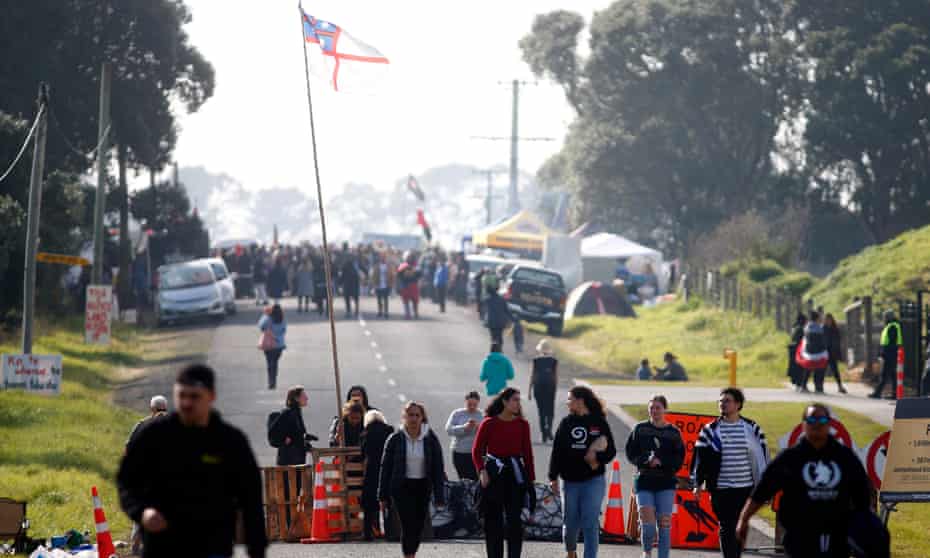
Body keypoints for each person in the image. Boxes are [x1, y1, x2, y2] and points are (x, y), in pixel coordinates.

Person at [117, 364, 267, 558]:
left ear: (211, 396)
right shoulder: (152, 435)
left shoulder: (230, 441)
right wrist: (142, 512)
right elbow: (127, 482)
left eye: (194, 397)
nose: (187, 403)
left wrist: (257, 550)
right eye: (181, 396)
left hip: (213, 545)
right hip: (162, 545)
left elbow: (251, 502)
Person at [736, 403, 873, 557]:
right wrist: (744, 519)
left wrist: (866, 530)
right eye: (811, 420)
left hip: (837, 538)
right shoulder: (790, 458)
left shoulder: (845, 458)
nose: (816, 425)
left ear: (829, 424)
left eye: (821, 421)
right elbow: (762, 491)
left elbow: (862, 498)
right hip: (799, 537)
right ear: (803, 425)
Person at [691, 388, 768, 558]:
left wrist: (765, 488)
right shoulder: (709, 430)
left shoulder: (752, 428)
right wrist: (697, 483)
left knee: (740, 525)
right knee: (726, 526)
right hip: (720, 489)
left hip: (745, 488)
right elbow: (699, 459)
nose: (723, 404)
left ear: (738, 404)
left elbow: (763, 457)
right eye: (720, 401)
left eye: (727, 401)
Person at [548, 386, 617, 558]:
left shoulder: (599, 422)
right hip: (569, 480)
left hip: (593, 480)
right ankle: (571, 551)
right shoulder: (566, 423)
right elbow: (557, 451)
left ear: (580, 401)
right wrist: (553, 477)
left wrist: (597, 457)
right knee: (570, 522)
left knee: (590, 521)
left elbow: (611, 451)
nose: (567, 402)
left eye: (570, 399)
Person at [472, 387, 535, 558]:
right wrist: (482, 471)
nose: (517, 403)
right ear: (505, 402)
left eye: (518, 400)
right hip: (494, 474)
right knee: (493, 522)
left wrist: (530, 482)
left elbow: (528, 454)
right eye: (514, 399)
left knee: (515, 523)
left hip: (515, 475)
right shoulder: (489, 423)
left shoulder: (522, 425)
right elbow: (477, 451)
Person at [379, 401, 446, 558]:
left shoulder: (430, 438)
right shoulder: (395, 438)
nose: (414, 418)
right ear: (404, 417)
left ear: (422, 417)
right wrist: (382, 495)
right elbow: (385, 467)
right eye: (410, 415)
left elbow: (438, 468)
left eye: (417, 415)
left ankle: (412, 552)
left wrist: (439, 496)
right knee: (408, 524)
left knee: (418, 525)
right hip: (402, 487)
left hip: (422, 486)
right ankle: (409, 555)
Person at [625, 394, 684, 558]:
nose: (654, 411)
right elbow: (630, 453)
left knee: (664, 526)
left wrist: (662, 461)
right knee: (648, 526)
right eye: (651, 408)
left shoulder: (673, 432)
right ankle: (647, 552)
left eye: (658, 408)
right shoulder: (639, 429)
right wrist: (645, 460)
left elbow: (679, 459)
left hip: (666, 483)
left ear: (665, 409)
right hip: (644, 482)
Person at [126, 395, 169, 556]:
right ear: (166, 407)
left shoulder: (141, 425)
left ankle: (136, 545)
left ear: (152, 409)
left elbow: (128, 449)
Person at [361, 409, 394, 540]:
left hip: (372, 469)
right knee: (388, 500)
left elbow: (363, 452)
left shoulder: (366, 433)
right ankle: (391, 531)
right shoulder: (389, 430)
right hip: (387, 468)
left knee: (369, 504)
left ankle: (367, 533)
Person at [444, 391, 483, 480]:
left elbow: (488, 432)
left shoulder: (482, 415)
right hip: (459, 453)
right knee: (464, 479)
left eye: (475, 405)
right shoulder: (457, 413)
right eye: (469, 404)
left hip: (477, 454)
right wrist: (464, 427)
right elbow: (448, 430)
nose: (472, 407)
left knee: (476, 480)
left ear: (478, 403)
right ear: (465, 402)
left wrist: (478, 427)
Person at [271, 386, 311, 466]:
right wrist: (283, 439)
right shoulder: (288, 413)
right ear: (296, 398)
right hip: (289, 462)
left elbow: (296, 434)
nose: (307, 398)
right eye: (304, 396)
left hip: (297, 459)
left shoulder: (296, 412)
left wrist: (305, 440)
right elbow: (274, 432)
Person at [528, 339, 558, 443]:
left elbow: (533, 375)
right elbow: (555, 376)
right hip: (550, 387)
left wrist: (529, 390)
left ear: (540, 350)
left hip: (538, 387)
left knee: (541, 411)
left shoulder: (536, 360)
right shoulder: (554, 361)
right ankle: (549, 429)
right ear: (549, 350)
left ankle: (544, 435)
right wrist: (555, 388)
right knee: (550, 410)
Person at [870, 310, 902, 399]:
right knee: (892, 375)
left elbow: (890, 343)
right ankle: (894, 394)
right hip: (892, 354)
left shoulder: (892, 327)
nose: (884, 319)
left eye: (885, 317)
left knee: (885, 374)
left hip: (890, 354)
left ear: (888, 317)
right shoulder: (892, 325)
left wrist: (883, 353)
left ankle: (877, 393)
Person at [799, 311, 829, 394]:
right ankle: (818, 387)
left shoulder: (807, 327)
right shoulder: (819, 328)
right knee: (819, 370)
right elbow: (822, 341)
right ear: (817, 318)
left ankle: (803, 386)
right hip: (819, 352)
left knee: (807, 369)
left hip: (808, 352)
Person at [258, 304, 287, 390]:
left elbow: (261, 326)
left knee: (269, 363)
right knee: (275, 363)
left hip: (268, 344)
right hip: (279, 345)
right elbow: (284, 330)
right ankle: (274, 380)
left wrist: (265, 314)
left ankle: (271, 381)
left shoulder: (268, 318)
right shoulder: (282, 319)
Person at [823, 313, 847, 394]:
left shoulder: (835, 329)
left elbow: (838, 340)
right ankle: (819, 386)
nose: (828, 321)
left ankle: (840, 386)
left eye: (829, 319)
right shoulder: (823, 328)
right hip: (825, 352)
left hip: (832, 352)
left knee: (835, 370)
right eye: (826, 320)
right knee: (821, 369)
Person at [484, 284, 514, 348]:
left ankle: (494, 349)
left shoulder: (488, 300)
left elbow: (483, 306)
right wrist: (512, 319)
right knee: (499, 335)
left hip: (491, 322)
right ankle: (499, 348)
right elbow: (507, 311)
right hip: (501, 322)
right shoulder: (502, 300)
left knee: (494, 337)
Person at [340, 244, 362, 318]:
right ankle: (351, 311)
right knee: (350, 297)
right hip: (350, 282)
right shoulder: (348, 264)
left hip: (352, 282)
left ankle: (353, 311)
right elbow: (342, 273)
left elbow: (342, 274)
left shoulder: (355, 263)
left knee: (352, 297)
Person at [787, 314, 807, 391]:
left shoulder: (794, 327)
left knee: (796, 368)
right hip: (798, 350)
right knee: (800, 368)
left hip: (794, 350)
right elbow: (801, 340)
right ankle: (800, 384)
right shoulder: (800, 329)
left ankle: (798, 384)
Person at [372, 253, 395, 318]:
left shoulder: (389, 266)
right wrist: (374, 284)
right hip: (378, 284)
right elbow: (373, 275)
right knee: (379, 299)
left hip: (386, 284)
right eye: (382, 258)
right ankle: (380, 311)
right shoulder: (376, 266)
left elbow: (392, 275)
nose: (383, 259)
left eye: (384, 258)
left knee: (386, 299)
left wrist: (392, 284)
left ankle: (386, 312)